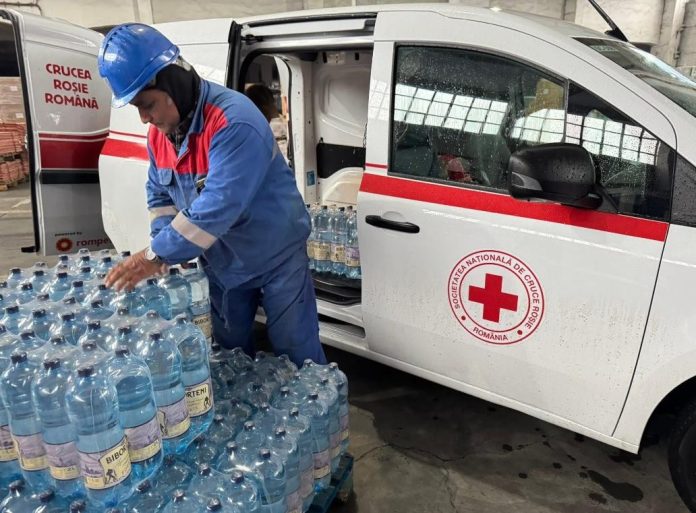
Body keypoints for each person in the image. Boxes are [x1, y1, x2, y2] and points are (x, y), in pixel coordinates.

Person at [98, 23, 326, 366]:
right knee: (230, 355)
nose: (144, 118)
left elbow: (217, 207)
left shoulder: (233, 122)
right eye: (136, 108)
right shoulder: (161, 134)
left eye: (147, 104)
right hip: (222, 261)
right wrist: (162, 242)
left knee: (296, 352)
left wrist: (154, 255)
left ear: (172, 83)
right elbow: (159, 196)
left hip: (275, 256)